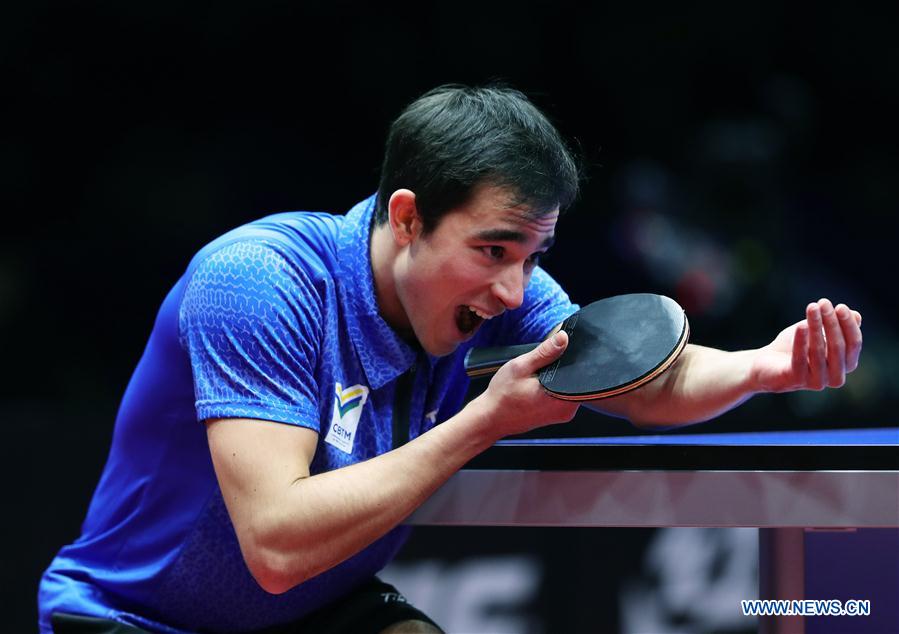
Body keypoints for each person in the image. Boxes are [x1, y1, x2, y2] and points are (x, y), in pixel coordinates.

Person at [39, 84, 863, 634]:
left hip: (313, 618)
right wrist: (482, 423)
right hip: (132, 618)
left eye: (534, 253)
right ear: (406, 217)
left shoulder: (502, 295)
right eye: (493, 248)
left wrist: (765, 365)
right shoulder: (260, 283)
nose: (514, 288)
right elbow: (277, 543)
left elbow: (651, 383)